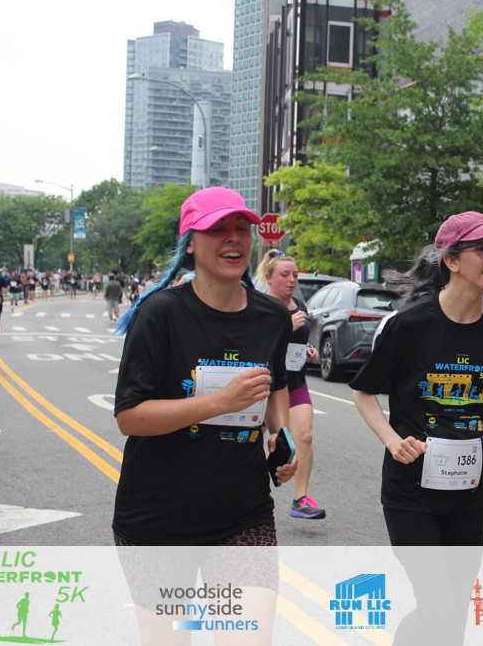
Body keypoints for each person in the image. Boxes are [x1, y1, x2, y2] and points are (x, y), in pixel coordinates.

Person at [112, 187, 297, 644]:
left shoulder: (271, 317)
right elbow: (130, 416)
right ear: (190, 242)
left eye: (242, 228)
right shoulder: (160, 313)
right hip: (158, 518)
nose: (233, 238)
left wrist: (281, 436)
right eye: (217, 228)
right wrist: (219, 402)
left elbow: (275, 385)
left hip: (243, 512)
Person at [351, 211, 483, 646]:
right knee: (437, 605)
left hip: (470, 489)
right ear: (451, 260)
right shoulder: (410, 324)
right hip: (411, 491)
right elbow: (364, 391)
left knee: (456, 610)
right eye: (482, 249)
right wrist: (393, 441)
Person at [265, 253, 325, 519]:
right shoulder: (261, 306)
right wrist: (285, 328)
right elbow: (254, 344)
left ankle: (301, 499)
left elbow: (297, 342)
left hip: (295, 381)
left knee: (305, 435)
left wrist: (308, 350)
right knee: (252, 441)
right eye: (284, 275)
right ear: (269, 278)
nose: (291, 280)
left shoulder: (300, 305)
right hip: (264, 385)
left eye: (295, 275)